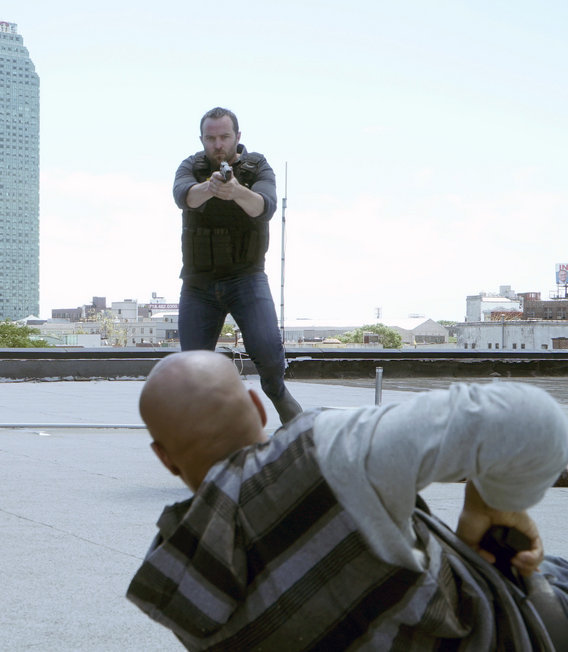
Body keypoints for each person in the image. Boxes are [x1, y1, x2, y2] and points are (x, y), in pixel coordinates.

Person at [127, 351, 568, 650]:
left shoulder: (178, 579)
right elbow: (534, 422)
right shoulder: (327, 453)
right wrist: (491, 503)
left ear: (165, 458)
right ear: (259, 409)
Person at [174, 107, 301, 424]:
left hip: (246, 279)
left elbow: (265, 206)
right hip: (198, 284)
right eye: (211, 138)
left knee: (270, 357)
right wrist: (210, 187)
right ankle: (209, 434)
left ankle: (281, 400)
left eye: (224, 137)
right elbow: (183, 196)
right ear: (202, 139)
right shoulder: (192, 166)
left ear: (238, 137)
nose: (217, 145)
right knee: (193, 368)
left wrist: (236, 191)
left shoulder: (257, 166)